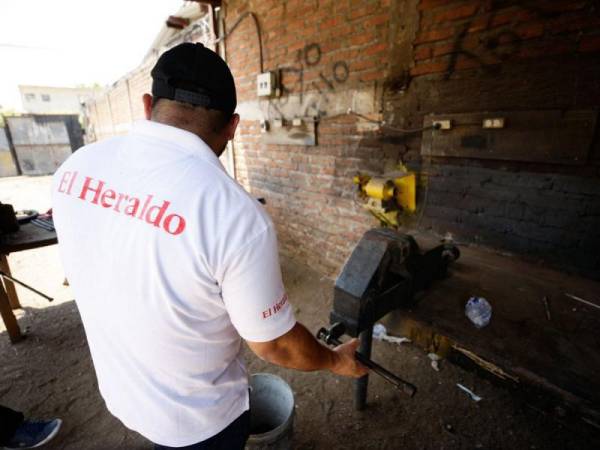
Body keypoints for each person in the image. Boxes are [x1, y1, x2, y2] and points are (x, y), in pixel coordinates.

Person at [52, 42, 368, 449]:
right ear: (233, 127)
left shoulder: (74, 169)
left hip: (121, 392)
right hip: (201, 424)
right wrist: (334, 359)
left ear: (148, 104)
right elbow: (274, 344)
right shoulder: (234, 215)